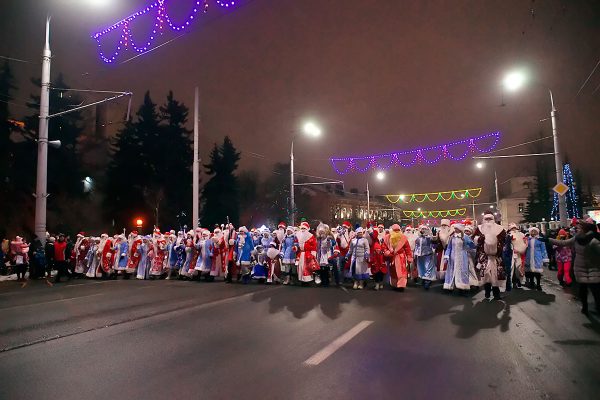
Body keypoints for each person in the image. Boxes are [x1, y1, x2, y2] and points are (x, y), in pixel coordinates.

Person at [546, 218, 600, 314]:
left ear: (585, 229)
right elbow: (563, 243)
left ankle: (597, 306)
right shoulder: (577, 238)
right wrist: (548, 240)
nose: (576, 230)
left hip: (593, 267)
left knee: (595, 289)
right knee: (583, 289)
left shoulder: (593, 241)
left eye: (579, 228)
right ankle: (585, 307)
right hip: (580, 267)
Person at [474, 212, 507, 300]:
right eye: (486, 219)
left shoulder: (500, 229)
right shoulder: (480, 228)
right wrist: (480, 239)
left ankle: (496, 294)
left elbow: (505, 240)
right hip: (484, 257)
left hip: (496, 257)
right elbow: (474, 238)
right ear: (484, 220)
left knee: (496, 276)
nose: (488, 221)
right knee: (485, 275)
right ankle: (487, 292)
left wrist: (499, 244)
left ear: (493, 220)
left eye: (490, 219)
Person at [443, 223, 477, 294]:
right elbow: (449, 247)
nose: (455, 230)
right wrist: (446, 256)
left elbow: (472, 245)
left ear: (460, 229)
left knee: (463, 272)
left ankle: (463, 287)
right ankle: (449, 286)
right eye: (455, 228)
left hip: (462, 257)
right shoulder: (452, 237)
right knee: (451, 272)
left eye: (456, 228)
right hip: (452, 258)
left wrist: (468, 242)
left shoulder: (465, 237)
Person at [383, 224, 412, 291]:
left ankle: (401, 286)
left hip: (400, 257)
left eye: (398, 230)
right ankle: (394, 284)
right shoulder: (387, 238)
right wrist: (387, 252)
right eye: (395, 230)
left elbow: (407, 248)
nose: (396, 232)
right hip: (392, 257)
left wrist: (409, 257)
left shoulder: (403, 238)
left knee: (402, 271)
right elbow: (384, 247)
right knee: (393, 271)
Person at [525, 227, 549, 291]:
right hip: (529, 256)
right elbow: (524, 248)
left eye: (534, 231)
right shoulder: (527, 239)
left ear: (537, 232)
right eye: (532, 231)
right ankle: (532, 282)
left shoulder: (540, 239)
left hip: (537, 257)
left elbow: (543, 249)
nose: (533, 233)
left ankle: (538, 284)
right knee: (530, 271)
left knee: (538, 272)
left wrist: (545, 258)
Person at [414, 225, 437, 290]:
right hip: (419, 255)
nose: (423, 230)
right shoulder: (418, 237)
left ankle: (427, 281)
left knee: (428, 268)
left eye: (425, 229)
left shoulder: (429, 237)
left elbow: (434, 244)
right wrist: (415, 253)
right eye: (422, 229)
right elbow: (416, 245)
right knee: (421, 267)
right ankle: (423, 279)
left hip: (428, 254)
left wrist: (434, 237)